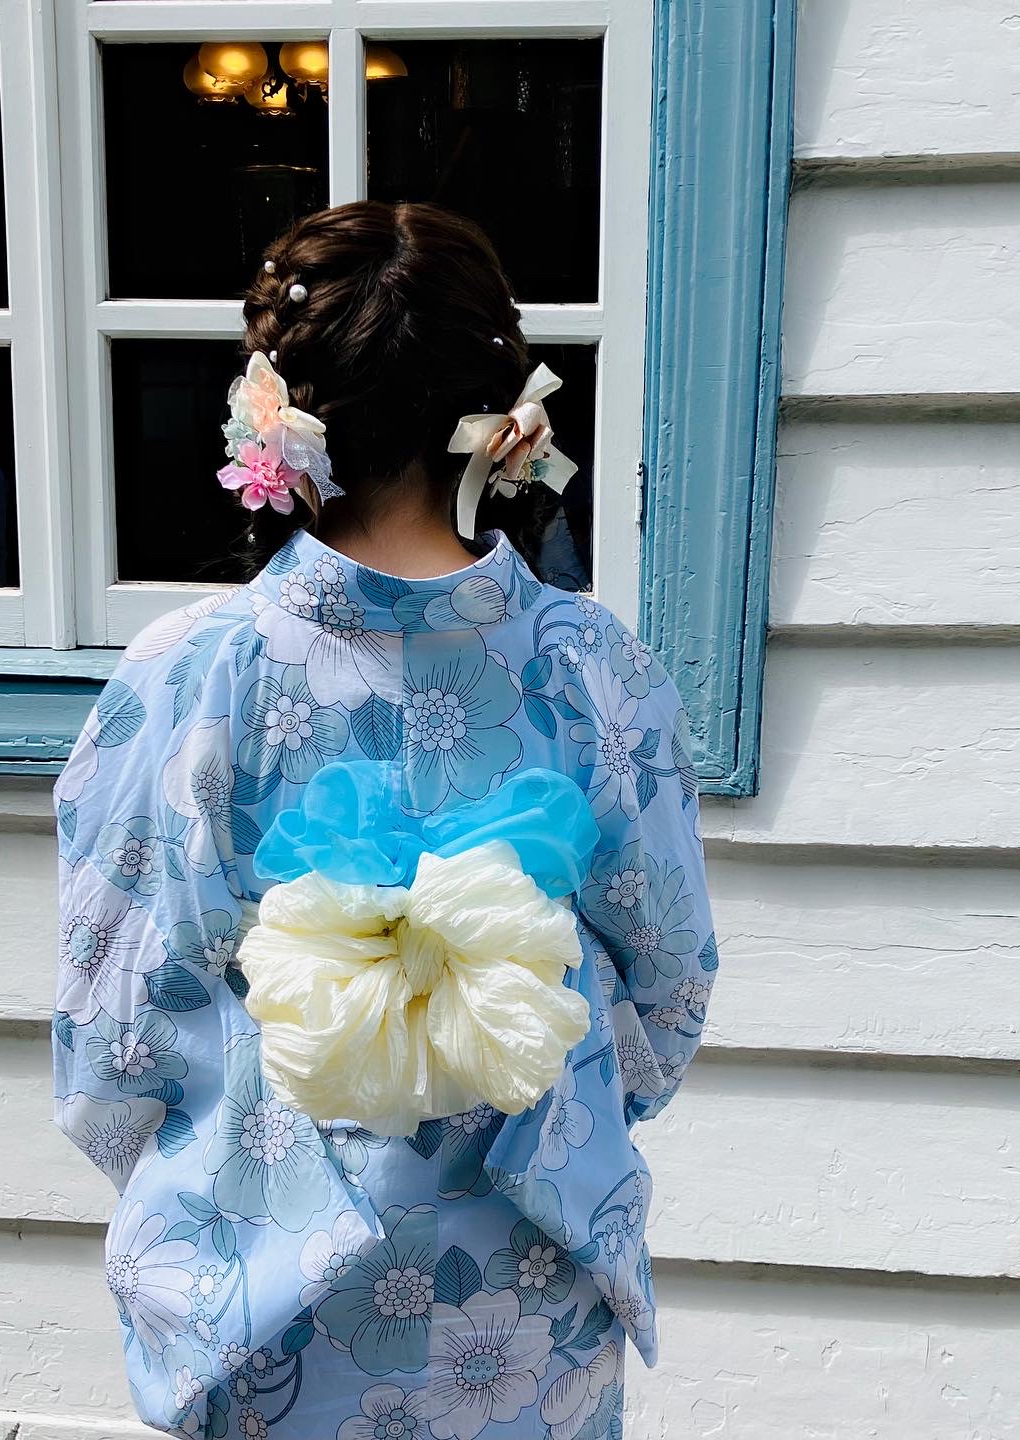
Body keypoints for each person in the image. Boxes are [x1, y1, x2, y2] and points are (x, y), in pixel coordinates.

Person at [50, 201, 717, 1440]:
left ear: (279, 412)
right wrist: (508, 1077)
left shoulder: (195, 672)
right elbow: (669, 989)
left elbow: (111, 1035)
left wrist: (256, 1127)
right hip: (527, 1308)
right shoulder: (594, 669)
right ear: (509, 418)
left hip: (266, 1296)